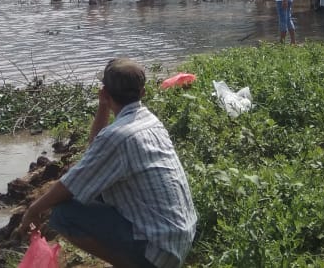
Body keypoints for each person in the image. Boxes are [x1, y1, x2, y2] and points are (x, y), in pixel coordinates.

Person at [18, 58, 197, 268]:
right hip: (179, 238)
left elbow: (71, 185)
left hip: (158, 251)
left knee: (64, 214)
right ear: (142, 93)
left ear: (105, 92)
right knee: (98, 191)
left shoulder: (118, 136)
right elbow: (95, 152)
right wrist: (103, 106)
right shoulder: (150, 121)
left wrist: (33, 210)